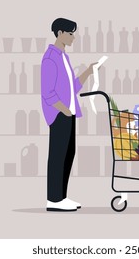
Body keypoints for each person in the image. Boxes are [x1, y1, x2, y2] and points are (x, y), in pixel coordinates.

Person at [41, 18, 98, 212]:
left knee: (68, 154)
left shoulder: (64, 57)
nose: (74, 37)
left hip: (69, 113)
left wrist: (89, 72)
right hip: (59, 114)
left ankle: (61, 197)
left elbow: (72, 87)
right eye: (71, 33)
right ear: (60, 33)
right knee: (57, 156)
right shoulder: (50, 57)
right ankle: (54, 199)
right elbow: (48, 92)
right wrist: (63, 110)